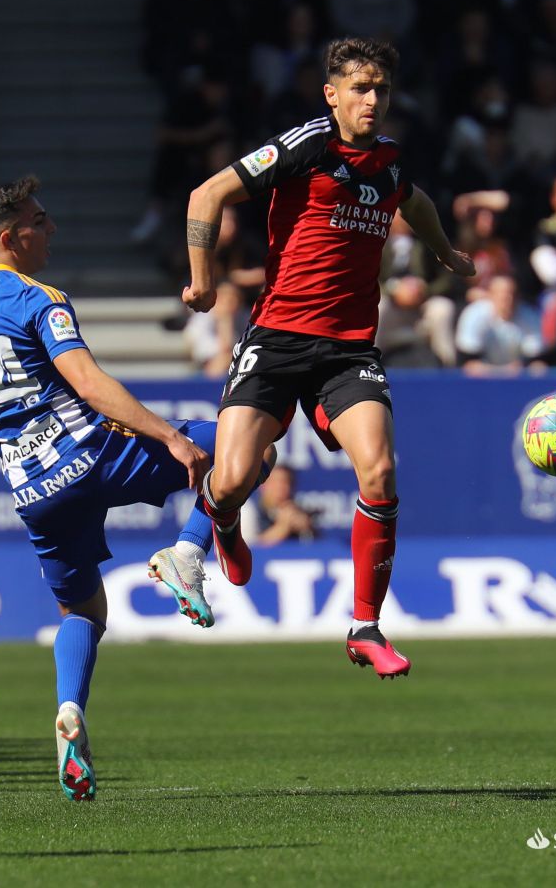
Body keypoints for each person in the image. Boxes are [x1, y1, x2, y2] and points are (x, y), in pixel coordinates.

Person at [0, 176, 274, 802]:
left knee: (85, 612)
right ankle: (189, 552)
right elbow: (89, 384)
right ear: (12, 238)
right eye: (42, 220)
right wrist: (170, 437)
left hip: (33, 489)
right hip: (92, 452)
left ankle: (71, 711)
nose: (52, 229)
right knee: (248, 445)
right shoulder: (39, 298)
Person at [182, 38, 475, 680]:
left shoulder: (391, 166)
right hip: (277, 340)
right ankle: (225, 523)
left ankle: (365, 626)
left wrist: (446, 253)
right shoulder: (306, 145)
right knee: (229, 480)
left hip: (348, 350)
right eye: (360, 89)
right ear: (332, 95)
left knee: (380, 471)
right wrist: (203, 279)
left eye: (382, 91)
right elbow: (206, 195)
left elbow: (416, 203)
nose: (373, 101)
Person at [241, 464, 317, 546]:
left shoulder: (298, 510)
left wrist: (306, 529)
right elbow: (247, 548)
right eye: (274, 482)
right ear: (262, 485)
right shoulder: (247, 510)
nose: (280, 488)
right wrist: (283, 527)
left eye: (285, 482)